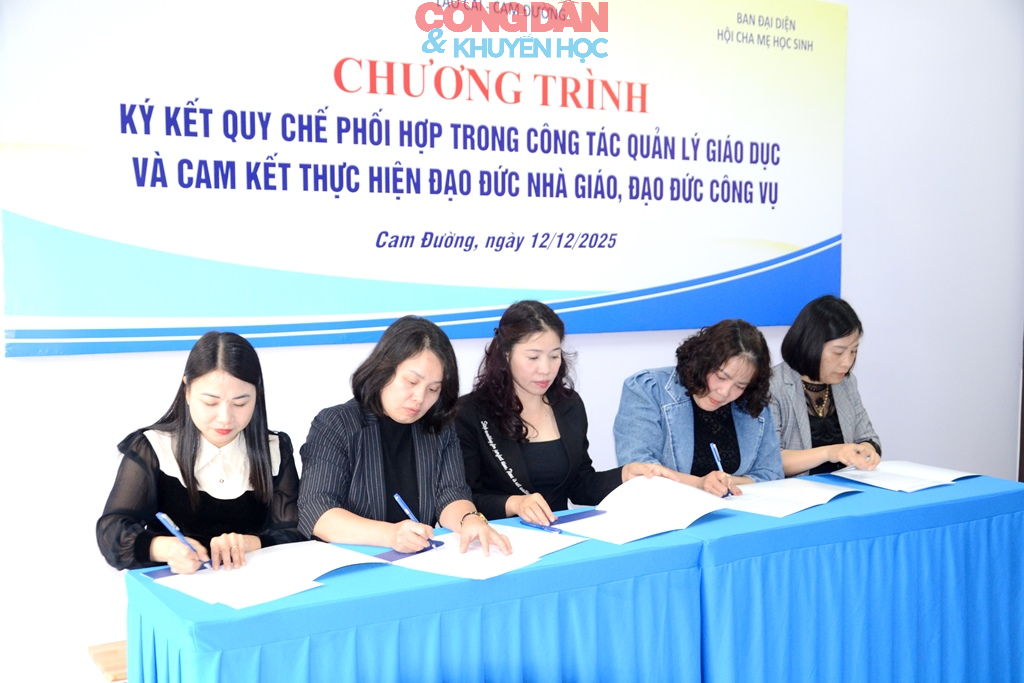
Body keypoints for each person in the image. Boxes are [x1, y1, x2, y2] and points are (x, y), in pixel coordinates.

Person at [298, 316, 511, 555]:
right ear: (384, 370)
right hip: (351, 562)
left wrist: (469, 519)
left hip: (416, 560)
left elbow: (451, 494)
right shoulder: (336, 424)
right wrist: (389, 535)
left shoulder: (438, 427)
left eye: (433, 389)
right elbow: (316, 511)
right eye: (411, 382)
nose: (420, 398)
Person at [96, 331, 302, 574]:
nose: (225, 418)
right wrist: (165, 548)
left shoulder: (274, 449)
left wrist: (250, 543)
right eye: (210, 402)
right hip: (175, 587)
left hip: (255, 586)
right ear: (187, 390)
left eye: (240, 403)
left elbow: (296, 532)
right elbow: (111, 532)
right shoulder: (153, 448)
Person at [457, 301, 678, 525]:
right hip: (497, 536)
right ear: (506, 354)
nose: (545, 369)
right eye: (533, 357)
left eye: (554, 356)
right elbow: (461, 499)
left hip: (561, 533)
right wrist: (513, 504)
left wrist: (624, 475)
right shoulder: (470, 413)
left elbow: (580, 486)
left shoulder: (568, 404)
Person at [614, 319, 783, 496]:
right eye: (721, 377)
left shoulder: (750, 402)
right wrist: (699, 483)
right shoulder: (649, 388)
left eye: (740, 386)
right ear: (703, 361)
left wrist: (725, 482)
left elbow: (771, 474)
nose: (724, 392)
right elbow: (640, 471)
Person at [770, 295, 881, 476]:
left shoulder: (847, 383)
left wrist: (866, 450)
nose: (847, 362)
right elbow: (770, 461)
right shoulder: (773, 386)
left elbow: (868, 437)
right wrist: (831, 452)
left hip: (846, 487)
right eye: (838, 353)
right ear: (810, 345)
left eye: (854, 351)